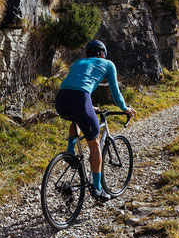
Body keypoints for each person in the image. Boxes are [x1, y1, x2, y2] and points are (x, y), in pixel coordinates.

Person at [55, 39, 136, 200]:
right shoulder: (108, 64)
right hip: (80, 100)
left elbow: (77, 85)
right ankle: (97, 189)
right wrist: (125, 108)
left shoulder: (78, 62)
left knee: (76, 119)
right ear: (103, 54)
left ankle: (70, 152)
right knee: (95, 144)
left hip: (61, 99)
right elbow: (115, 93)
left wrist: (89, 106)